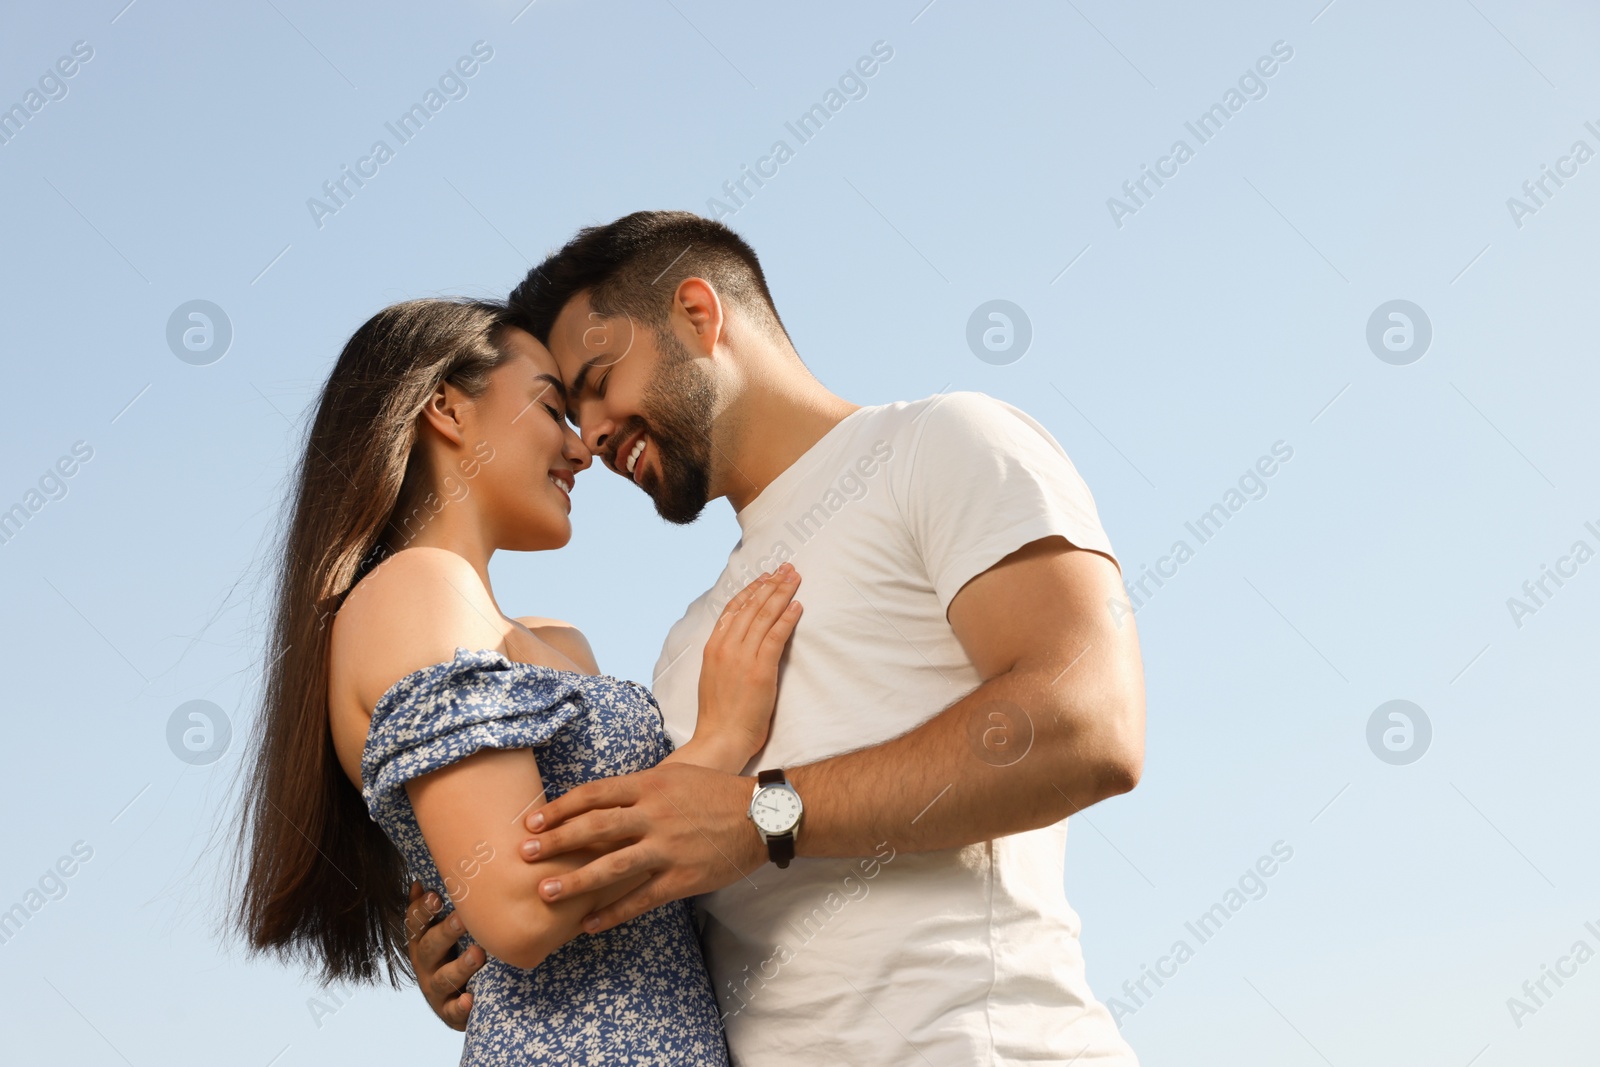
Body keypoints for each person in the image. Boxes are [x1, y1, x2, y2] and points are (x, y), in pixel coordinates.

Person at [409, 211, 1148, 1064]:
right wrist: (488, 938)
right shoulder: (687, 648)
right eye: (571, 412)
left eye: (600, 379)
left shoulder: (940, 443)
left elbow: (1089, 724)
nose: (594, 434)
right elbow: (668, 877)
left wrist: (763, 812)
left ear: (698, 312)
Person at [234, 297, 810, 1064]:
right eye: (549, 406)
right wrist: (723, 738)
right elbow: (517, 904)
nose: (581, 451)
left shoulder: (556, 641)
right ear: (446, 407)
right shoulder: (417, 588)